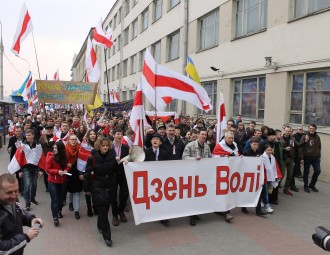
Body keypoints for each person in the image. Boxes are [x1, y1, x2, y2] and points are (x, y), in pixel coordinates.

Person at [83, 136, 116, 247]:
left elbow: (116, 170)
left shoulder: (112, 155)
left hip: (110, 187)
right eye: (103, 145)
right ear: (98, 146)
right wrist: (86, 189)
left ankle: (99, 225)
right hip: (98, 188)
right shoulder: (92, 157)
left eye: (107, 145)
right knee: (103, 212)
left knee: (105, 211)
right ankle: (108, 237)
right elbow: (87, 174)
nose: (105, 147)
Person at [0, 173, 44, 255]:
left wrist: (31, 219)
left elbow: (20, 212)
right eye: (9, 192)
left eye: (16, 191)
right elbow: (2, 249)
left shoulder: (13, 200)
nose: (14, 196)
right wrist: (26, 237)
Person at [182, 128, 211, 226]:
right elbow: (184, 157)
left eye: (205, 135)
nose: (204, 136)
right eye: (202, 134)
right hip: (192, 175)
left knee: (200, 196)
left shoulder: (207, 147)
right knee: (192, 196)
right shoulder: (190, 145)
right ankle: (192, 216)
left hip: (202, 175)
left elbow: (210, 158)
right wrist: (194, 159)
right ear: (198, 135)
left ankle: (197, 213)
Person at [212, 131, 238, 222]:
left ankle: (224, 210)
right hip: (222, 173)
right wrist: (225, 156)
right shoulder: (219, 146)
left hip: (232, 172)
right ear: (225, 138)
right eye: (229, 138)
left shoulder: (234, 145)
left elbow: (236, 154)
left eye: (232, 138)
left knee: (228, 192)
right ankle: (226, 212)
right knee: (223, 191)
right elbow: (214, 157)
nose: (231, 140)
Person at [144, 133, 169, 225]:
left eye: (157, 139)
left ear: (160, 142)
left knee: (161, 198)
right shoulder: (146, 152)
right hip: (150, 178)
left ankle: (162, 217)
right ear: (151, 141)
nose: (155, 141)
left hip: (160, 179)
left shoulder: (164, 153)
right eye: (153, 139)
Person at [45, 141, 70, 226]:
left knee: (61, 199)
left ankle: (59, 211)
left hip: (63, 181)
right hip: (53, 181)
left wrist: (66, 170)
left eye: (56, 148)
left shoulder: (65, 156)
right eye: (54, 148)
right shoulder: (50, 157)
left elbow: (68, 165)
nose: (54, 149)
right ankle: (55, 217)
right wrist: (57, 171)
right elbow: (47, 169)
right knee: (54, 200)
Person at [243, 137, 267, 216]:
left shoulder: (259, 152)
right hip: (248, 175)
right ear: (250, 144)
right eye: (254, 145)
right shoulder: (246, 153)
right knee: (247, 192)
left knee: (258, 192)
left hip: (257, 175)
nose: (256, 146)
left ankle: (258, 210)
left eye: (257, 145)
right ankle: (244, 207)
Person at [21, 129, 43, 211]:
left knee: (34, 185)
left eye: (29, 135)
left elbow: (41, 157)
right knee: (27, 186)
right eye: (26, 135)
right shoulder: (23, 145)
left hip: (35, 168)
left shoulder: (38, 145)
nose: (28, 137)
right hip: (26, 168)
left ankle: (32, 198)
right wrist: (20, 171)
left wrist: (41, 170)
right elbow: (20, 158)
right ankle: (27, 203)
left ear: (33, 135)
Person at [77, 129, 98, 217]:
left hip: (97, 172)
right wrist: (80, 173)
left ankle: (95, 207)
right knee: (87, 191)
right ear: (88, 136)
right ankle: (89, 208)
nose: (93, 135)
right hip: (86, 172)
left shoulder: (98, 145)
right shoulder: (84, 145)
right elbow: (80, 159)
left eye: (94, 134)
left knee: (95, 191)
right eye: (91, 134)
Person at [112, 128, 129, 226]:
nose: (119, 136)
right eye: (117, 134)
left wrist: (127, 161)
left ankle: (121, 211)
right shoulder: (109, 146)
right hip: (113, 173)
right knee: (113, 195)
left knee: (124, 193)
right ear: (113, 135)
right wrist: (113, 158)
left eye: (121, 134)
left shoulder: (125, 147)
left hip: (123, 173)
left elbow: (128, 157)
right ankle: (115, 215)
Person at [299, 124, 321, 193]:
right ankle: (306, 186)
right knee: (306, 172)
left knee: (318, 171)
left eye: (313, 128)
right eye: (310, 128)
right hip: (307, 157)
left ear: (315, 129)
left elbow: (319, 147)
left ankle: (312, 185)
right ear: (308, 129)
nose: (311, 129)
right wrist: (301, 158)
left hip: (316, 157)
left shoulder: (317, 137)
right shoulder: (305, 136)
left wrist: (319, 155)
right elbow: (301, 147)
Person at [262, 144, 282, 213]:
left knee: (267, 191)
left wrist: (276, 176)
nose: (270, 151)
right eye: (268, 150)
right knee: (265, 191)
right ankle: (267, 206)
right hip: (264, 177)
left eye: (271, 150)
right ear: (265, 150)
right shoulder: (262, 157)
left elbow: (274, 168)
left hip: (270, 177)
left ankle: (262, 201)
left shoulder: (273, 157)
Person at [66, 134, 82, 219]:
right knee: (70, 191)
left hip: (77, 171)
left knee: (77, 191)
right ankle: (70, 203)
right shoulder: (65, 149)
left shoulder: (80, 149)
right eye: (72, 139)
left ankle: (77, 210)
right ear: (68, 140)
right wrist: (66, 164)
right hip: (68, 171)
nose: (73, 141)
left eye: (75, 139)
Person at [7, 126, 26, 194]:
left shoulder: (25, 139)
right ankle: (19, 188)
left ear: (22, 131)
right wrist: (9, 149)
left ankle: (22, 189)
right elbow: (9, 147)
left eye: (19, 131)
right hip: (15, 159)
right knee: (17, 174)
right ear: (15, 132)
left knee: (22, 174)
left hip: (24, 159)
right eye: (17, 131)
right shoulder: (12, 139)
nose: (18, 133)